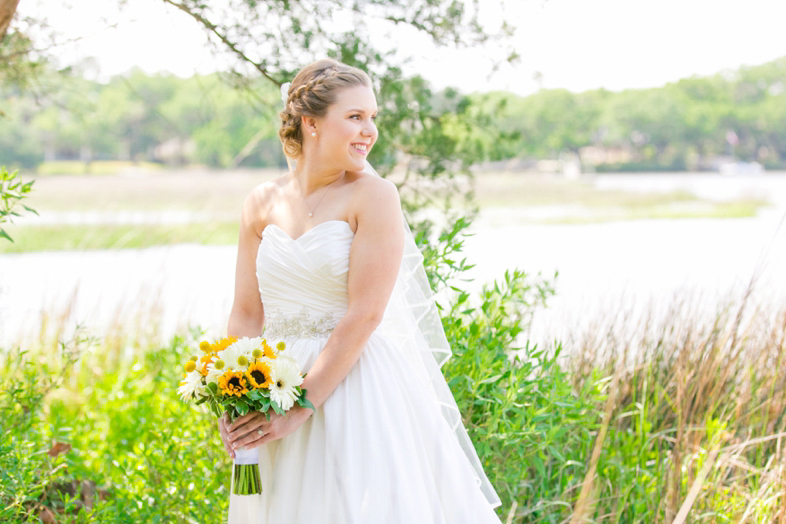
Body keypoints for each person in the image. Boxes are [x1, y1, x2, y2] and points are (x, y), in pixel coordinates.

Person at [219, 58, 503, 524]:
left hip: (354, 386)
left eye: (372, 118)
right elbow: (246, 314)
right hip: (272, 385)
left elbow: (365, 314)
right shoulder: (260, 202)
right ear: (311, 123)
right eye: (355, 117)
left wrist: (302, 406)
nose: (369, 131)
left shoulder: (373, 196)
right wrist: (233, 399)